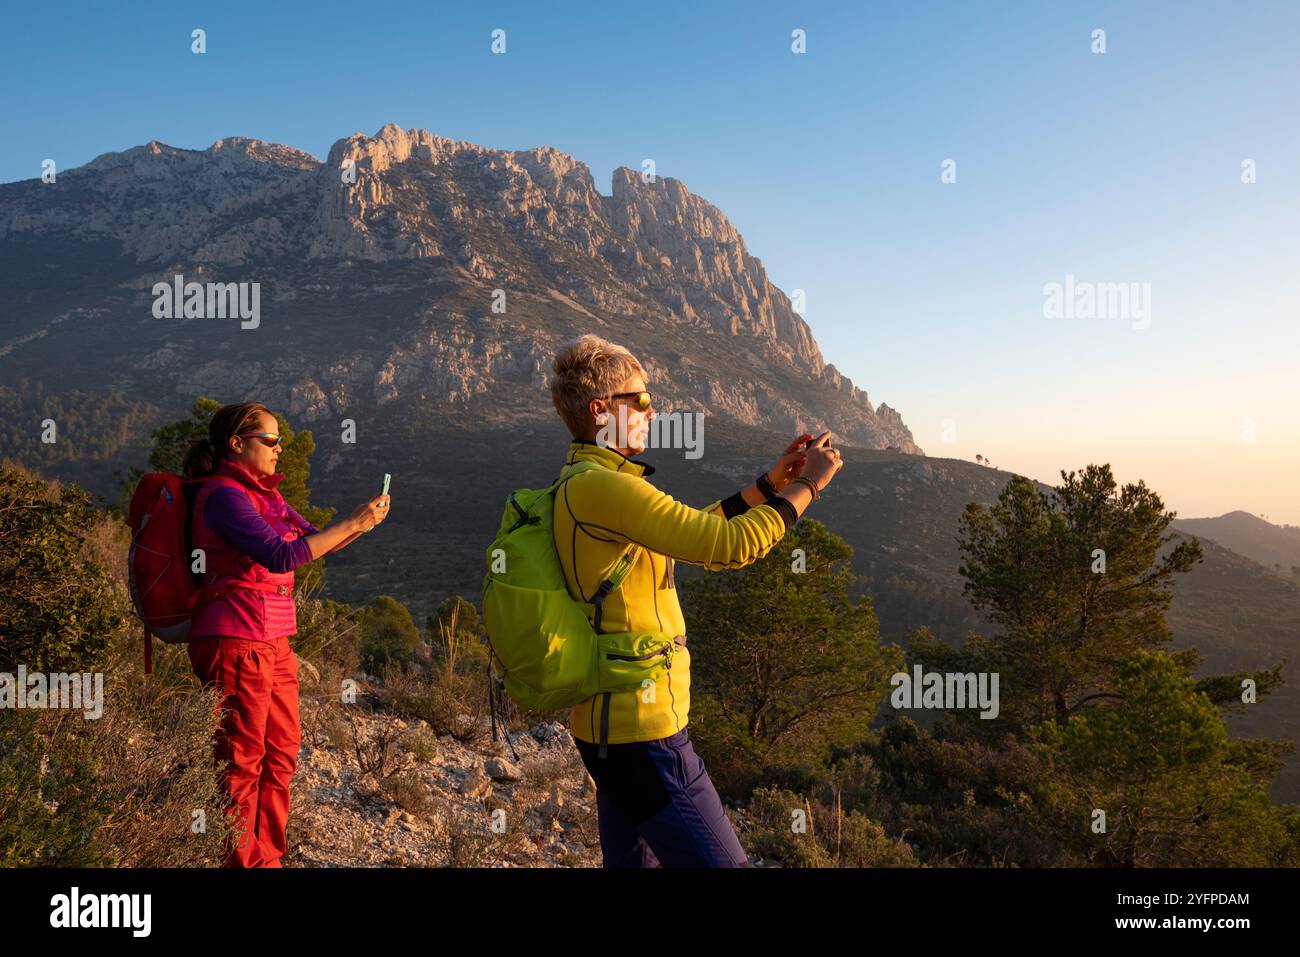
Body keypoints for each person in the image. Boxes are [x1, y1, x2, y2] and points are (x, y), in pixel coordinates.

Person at [548, 335, 843, 867]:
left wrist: (768, 486)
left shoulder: (594, 482)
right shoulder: (604, 487)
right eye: (637, 400)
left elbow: (691, 533)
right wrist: (808, 490)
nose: (650, 410)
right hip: (644, 735)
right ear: (600, 410)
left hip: (609, 729)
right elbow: (728, 546)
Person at [182, 401, 391, 867]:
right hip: (235, 638)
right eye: (270, 441)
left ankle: (268, 858)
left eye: (281, 441)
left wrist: (363, 522)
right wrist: (350, 523)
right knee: (240, 762)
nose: (280, 450)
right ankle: (242, 862)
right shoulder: (224, 496)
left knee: (280, 756)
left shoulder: (268, 496)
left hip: (274, 641)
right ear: (237, 444)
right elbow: (279, 557)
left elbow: (311, 542)